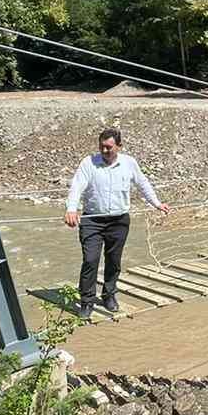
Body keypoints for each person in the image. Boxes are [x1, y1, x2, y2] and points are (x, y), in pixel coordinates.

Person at [64, 127, 170, 320]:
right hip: (92, 221)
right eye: (102, 147)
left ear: (119, 146)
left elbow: (142, 183)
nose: (105, 151)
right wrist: (71, 209)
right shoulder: (89, 163)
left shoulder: (129, 163)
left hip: (119, 220)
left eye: (109, 147)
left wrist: (156, 203)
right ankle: (87, 301)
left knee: (114, 260)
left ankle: (108, 295)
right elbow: (77, 186)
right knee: (90, 260)